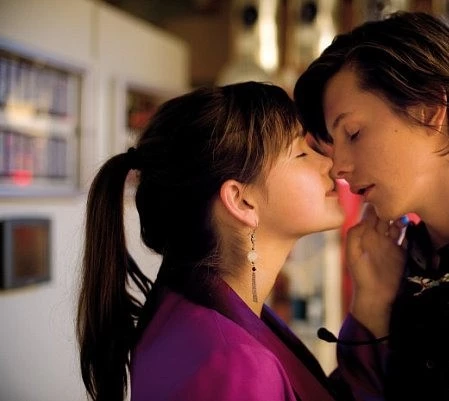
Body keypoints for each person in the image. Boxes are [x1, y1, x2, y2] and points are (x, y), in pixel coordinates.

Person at [76, 81, 402, 401]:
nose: (331, 163)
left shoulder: (192, 303)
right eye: (302, 153)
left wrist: (370, 301)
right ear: (241, 200)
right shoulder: (234, 364)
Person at [294, 11, 449, 401]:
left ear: (429, 107)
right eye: (333, 146)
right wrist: (373, 304)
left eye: (353, 133)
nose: (338, 168)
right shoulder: (406, 260)